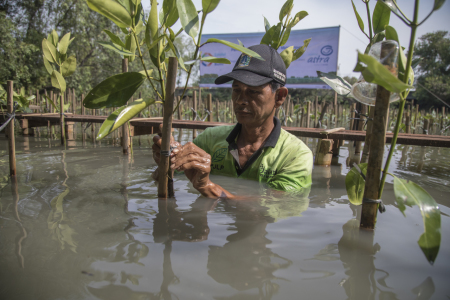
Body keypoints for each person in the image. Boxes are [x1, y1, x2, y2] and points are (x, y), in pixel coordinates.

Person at [152, 44, 313, 199]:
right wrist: (166, 164)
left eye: (253, 92)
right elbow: (162, 180)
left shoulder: (296, 155)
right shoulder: (209, 140)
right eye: (236, 90)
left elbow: (270, 204)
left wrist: (208, 187)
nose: (241, 100)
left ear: (279, 97)